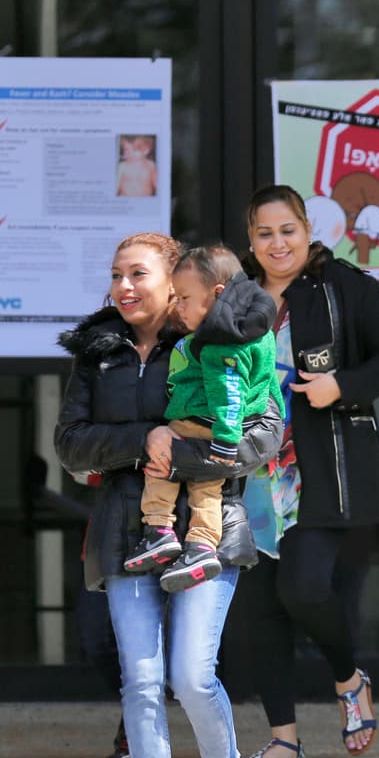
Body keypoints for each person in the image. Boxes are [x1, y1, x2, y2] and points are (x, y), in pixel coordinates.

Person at [55, 232, 282, 758]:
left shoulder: (224, 336)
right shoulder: (96, 355)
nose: (123, 287)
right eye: (115, 275)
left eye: (138, 275)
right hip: (127, 533)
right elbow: (71, 445)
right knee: (143, 683)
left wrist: (177, 454)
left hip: (207, 531)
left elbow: (263, 435)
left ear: (174, 281)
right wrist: (145, 436)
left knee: (189, 674)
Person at [233, 184, 379, 758]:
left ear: (308, 229)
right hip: (249, 475)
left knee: (303, 589)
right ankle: (283, 739)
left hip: (321, 468)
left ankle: (348, 676)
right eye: (264, 233)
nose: (277, 243)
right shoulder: (236, 299)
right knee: (262, 610)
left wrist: (342, 386)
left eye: (287, 230)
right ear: (251, 240)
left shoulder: (344, 288)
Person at [122, 245, 277, 591]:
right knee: (207, 488)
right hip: (227, 426)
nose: (178, 307)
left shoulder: (220, 341)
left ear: (217, 293)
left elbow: (228, 392)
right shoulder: (256, 331)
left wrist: (224, 439)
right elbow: (268, 388)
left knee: (160, 464)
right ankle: (203, 546)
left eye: (185, 298)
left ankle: (159, 529)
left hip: (204, 422)